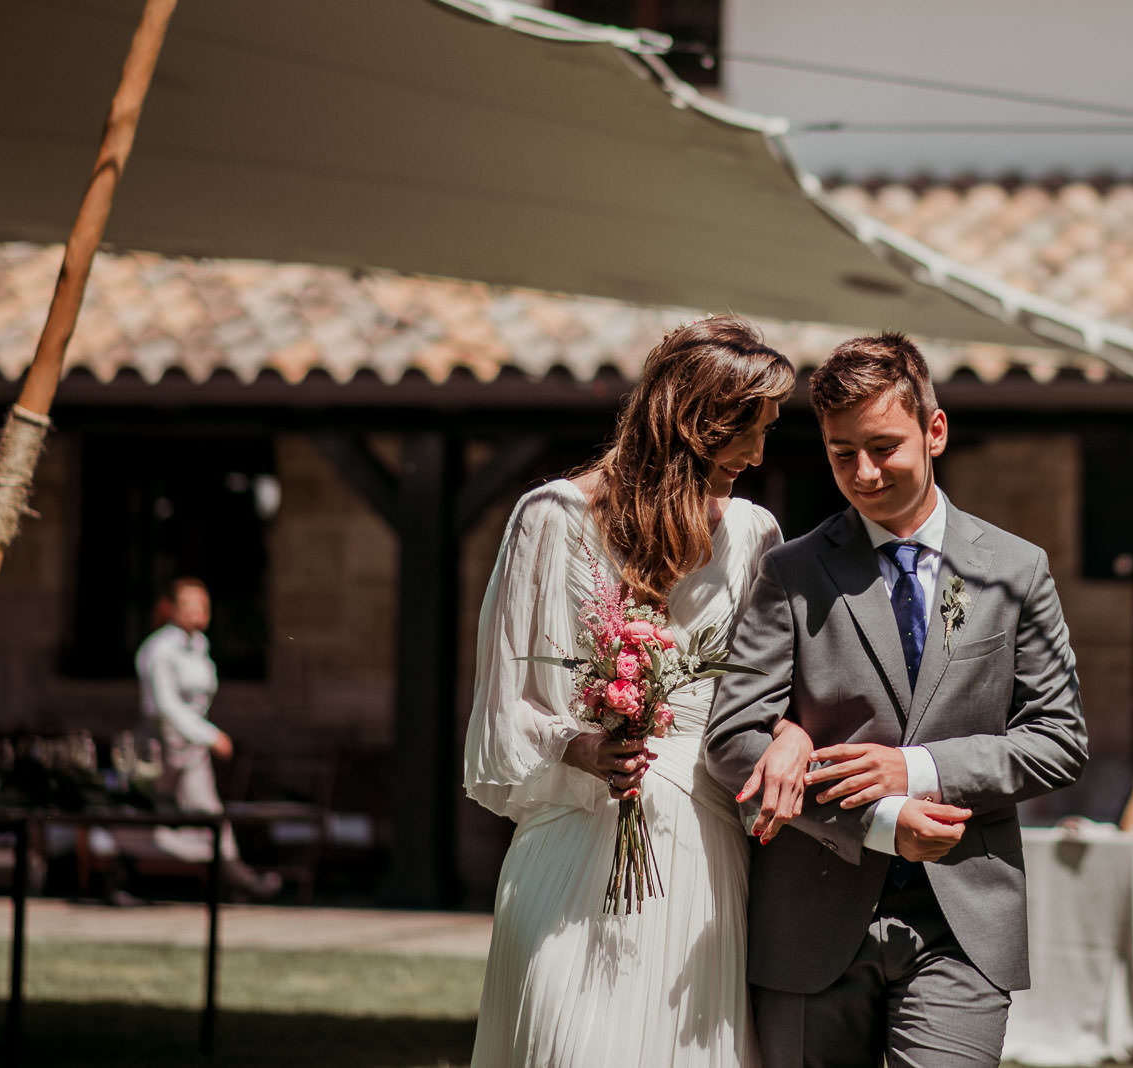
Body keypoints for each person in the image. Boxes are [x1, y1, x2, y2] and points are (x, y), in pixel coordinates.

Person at [703, 332, 1089, 1067]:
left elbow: (1059, 739)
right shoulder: (791, 572)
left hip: (963, 922)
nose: (864, 472)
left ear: (934, 430)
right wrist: (879, 818)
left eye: (883, 446)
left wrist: (913, 771)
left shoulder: (1017, 570)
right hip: (808, 925)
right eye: (842, 452)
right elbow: (733, 741)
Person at [464, 316, 811, 1067]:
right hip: (575, 827)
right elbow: (506, 705)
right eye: (747, 429)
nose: (757, 453)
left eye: (768, 429)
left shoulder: (755, 534)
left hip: (699, 836)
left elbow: (781, 689)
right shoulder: (552, 518)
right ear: (693, 423)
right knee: (563, 1038)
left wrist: (792, 733)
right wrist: (584, 746)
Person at [135, 577, 281, 900]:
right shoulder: (160, 649)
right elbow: (166, 704)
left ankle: (232, 877)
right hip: (163, 742)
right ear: (172, 608)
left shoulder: (199, 646)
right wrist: (209, 735)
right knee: (155, 813)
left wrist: (201, 735)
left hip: (189, 743)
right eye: (188, 604)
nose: (197, 611)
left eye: (202, 604)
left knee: (205, 811)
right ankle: (122, 869)